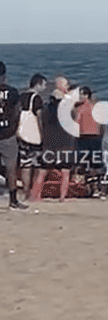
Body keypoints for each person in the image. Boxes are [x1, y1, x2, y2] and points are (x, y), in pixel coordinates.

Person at [17, 75, 48, 203]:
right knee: (37, 165)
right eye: (44, 85)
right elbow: (39, 118)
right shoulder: (37, 98)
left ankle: (25, 192)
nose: (45, 87)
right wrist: (44, 134)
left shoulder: (21, 96)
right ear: (38, 84)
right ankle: (33, 194)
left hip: (21, 135)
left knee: (25, 164)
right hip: (34, 136)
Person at [0, 62, 26, 209]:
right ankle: (13, 200)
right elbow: (17, 112)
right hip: (7, 134)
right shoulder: (12, 92)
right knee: (11, 168)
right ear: (4, 76)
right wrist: (14, 129)